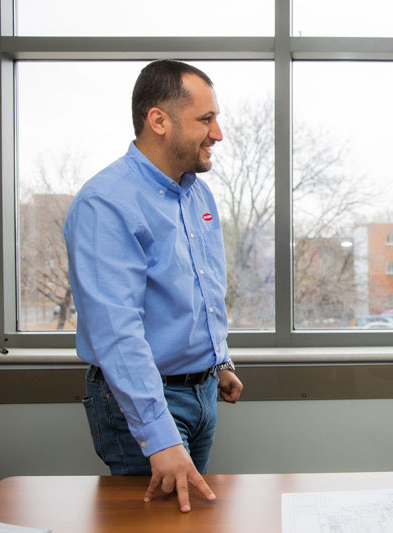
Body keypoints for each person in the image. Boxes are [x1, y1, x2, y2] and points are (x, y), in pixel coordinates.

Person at [64, 59, 243, 512]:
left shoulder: (196, 192)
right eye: (205, 119)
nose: (218, 134)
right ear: (158, 120)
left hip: (202, 392)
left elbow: (201, 289)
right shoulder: (106, 203)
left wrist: (218, 360)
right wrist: (159, 436)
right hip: (144, 398)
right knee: (158, 522)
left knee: (189, 518)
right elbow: (116, 331)